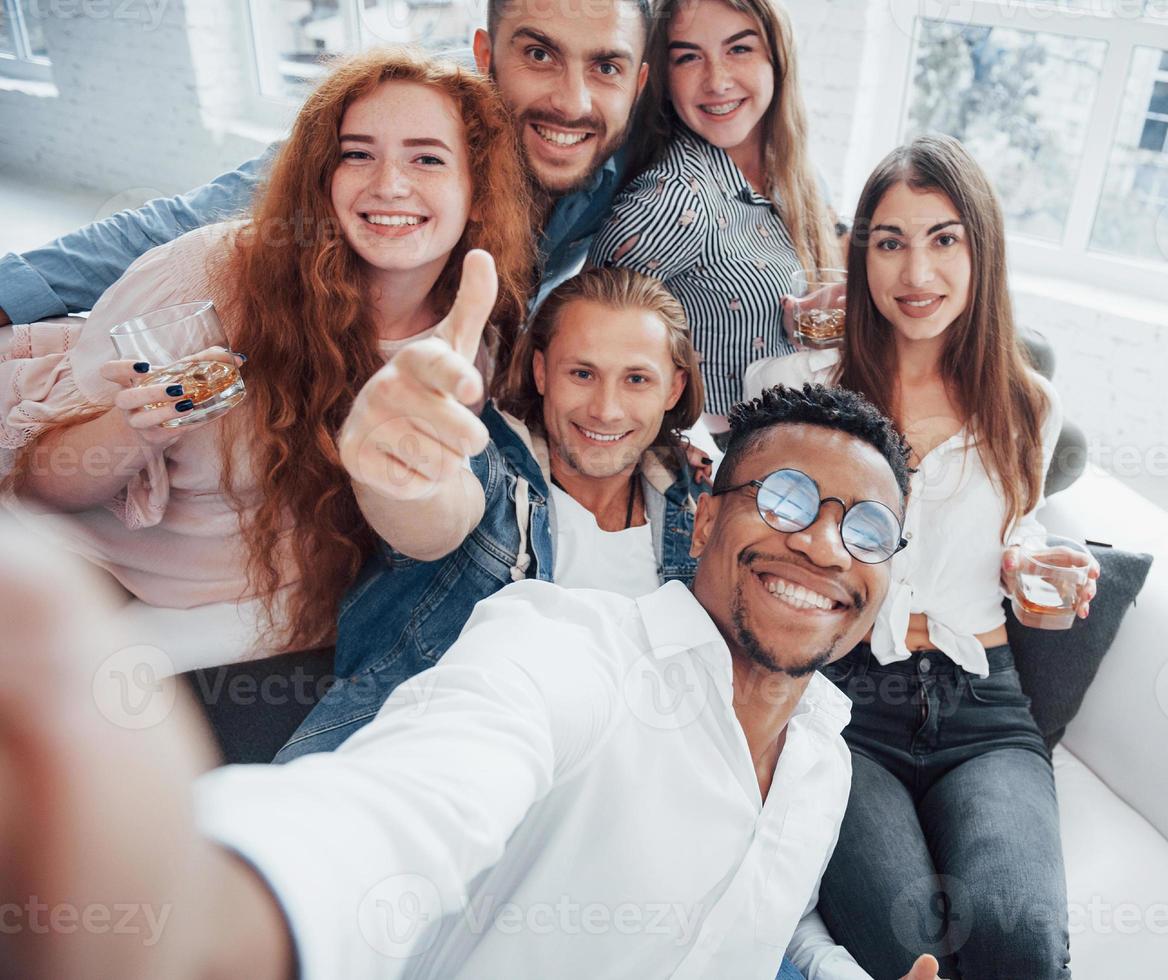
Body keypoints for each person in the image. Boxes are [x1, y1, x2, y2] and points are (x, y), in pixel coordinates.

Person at [0, 384, 957, 980]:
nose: (823, 544)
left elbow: (758, 903)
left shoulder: (824, 762)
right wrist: (197, 914)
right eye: (785, 498)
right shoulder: (566, 650)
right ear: (704, 521)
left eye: (866, 529)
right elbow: (407, 808)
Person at [0, 48, 536, 665]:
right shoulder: (202, 277)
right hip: (85, 565)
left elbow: (438, 529)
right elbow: (40, 485)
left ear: (476, 192)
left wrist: (404, 477)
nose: (390, 183)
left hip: (241, 620)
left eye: (427, 158)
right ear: (319, 177)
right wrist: (131, 429)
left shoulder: (471, 332)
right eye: (357, 154)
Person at [745, 135, 1100, 979]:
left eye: (945, 239)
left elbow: (1011, 532)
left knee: (1020, 949)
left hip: (985, 708)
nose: (917, 273)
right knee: (907, 948)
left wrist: (1035, 567)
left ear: (982, 250)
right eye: (891, 241)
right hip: (843, 705)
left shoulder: (1027, 403)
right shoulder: (801, 389)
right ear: (858, 253)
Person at [276, 266, 708, 760]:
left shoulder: (699, 507)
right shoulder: (491, 466)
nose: (606, 410)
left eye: (636, 379)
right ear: (542, 372)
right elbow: (437, 515)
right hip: (424, 782)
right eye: (582, 373)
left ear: (673, 389)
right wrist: (399, 465)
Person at [0, 0, 653, 326]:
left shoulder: (629, 163)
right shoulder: (402, 132)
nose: (572, 102)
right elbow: (177, 228)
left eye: (605, 66)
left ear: (639, 81)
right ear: (485, 53)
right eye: (538, 55)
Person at [589, 0, 840, 430]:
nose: (717, 81)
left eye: (739, 49)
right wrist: (675, 450)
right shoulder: (672, 198)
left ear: (776, 57)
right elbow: (584, 344)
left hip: (803, 439)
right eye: (688, 57)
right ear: (664, 78)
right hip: (730, 467)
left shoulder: (796, 173)